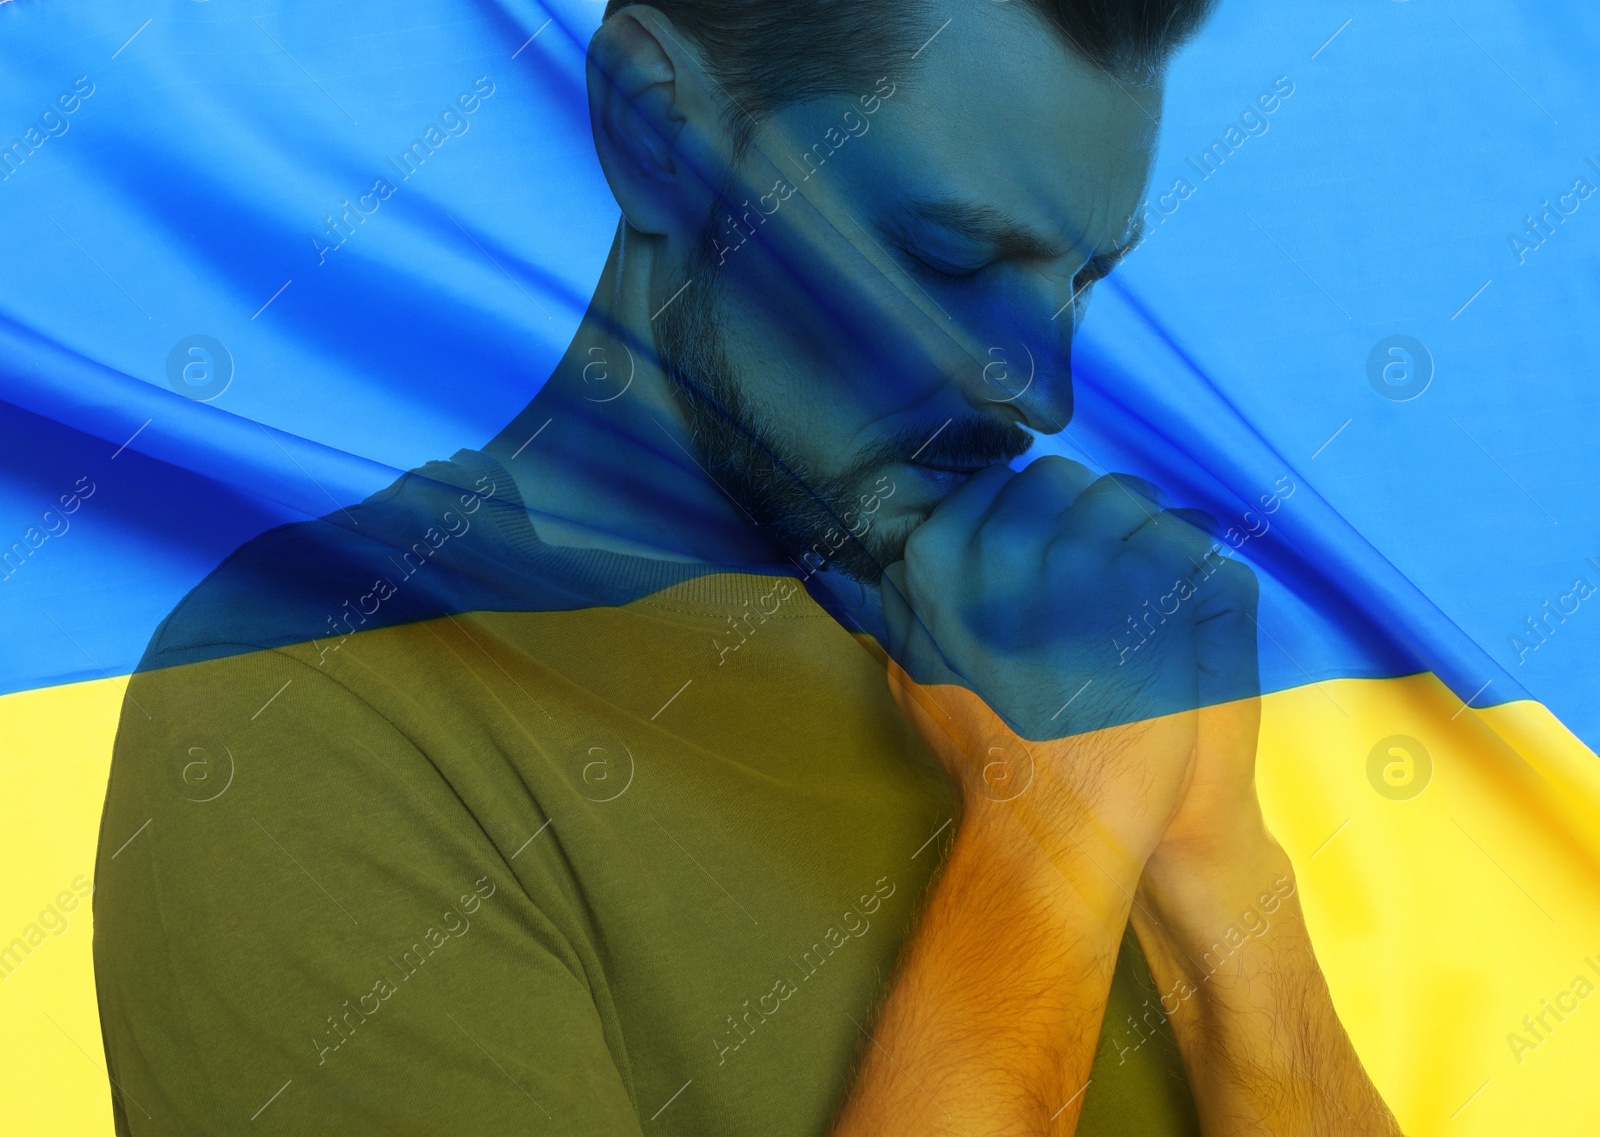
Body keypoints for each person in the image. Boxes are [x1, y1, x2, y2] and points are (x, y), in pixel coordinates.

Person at [93, 1, 1402, 1133]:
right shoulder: (313, 697)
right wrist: (1051, 838)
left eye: (1080, 281)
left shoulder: (1045, 641)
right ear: (656, 124)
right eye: (949, 257)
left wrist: (1218, 869)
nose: (1041, 389)